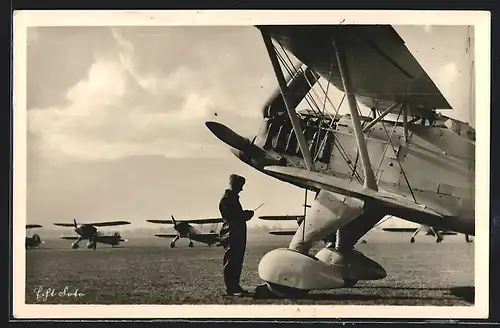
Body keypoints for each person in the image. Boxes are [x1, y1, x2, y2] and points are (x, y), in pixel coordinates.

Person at [218, 174, 254, 296]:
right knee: (231, 261)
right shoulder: (227, 200)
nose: (242, 189)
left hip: (235, 234)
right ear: (235, 185)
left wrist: (244, 215)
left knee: (236, 261)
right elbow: (233, 217)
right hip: (231, 234)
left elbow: (234, 216)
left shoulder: (231, 199)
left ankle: (235, 287)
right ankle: (231, 289)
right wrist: (245, 215)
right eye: (241, 186)